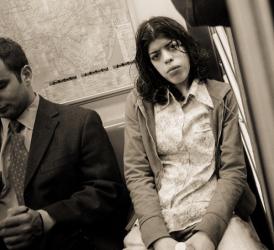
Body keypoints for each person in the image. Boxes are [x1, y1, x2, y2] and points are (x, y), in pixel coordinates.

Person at [123, 16, 265, 250]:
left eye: (172, 46)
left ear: (187, 45)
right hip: (163, 218)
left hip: (216, 214)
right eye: (155, 56)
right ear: (151, 65)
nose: (167, 59)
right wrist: (158, 238)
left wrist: (208, 234)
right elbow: (137, 173)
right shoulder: (139, 104)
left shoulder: (221, 96)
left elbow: (233, 170)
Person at [0, 37, 130, 250]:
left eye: (1, 86)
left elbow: (107, 192)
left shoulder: (78, 123)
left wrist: (44, 219)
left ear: (26, 75)